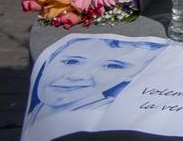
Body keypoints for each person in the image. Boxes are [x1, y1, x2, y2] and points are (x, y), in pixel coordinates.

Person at [25, 37, 167, 130]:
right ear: (49, 61)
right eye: (71, 61)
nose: (77, 76)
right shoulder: (41, 109)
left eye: (112, 66)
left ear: (132, 75)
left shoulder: (110, 120)